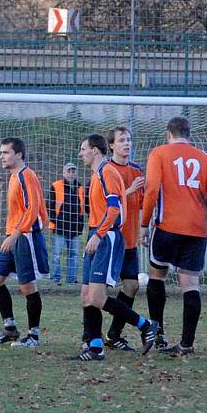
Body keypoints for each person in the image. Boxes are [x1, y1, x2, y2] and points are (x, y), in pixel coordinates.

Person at [140, 117, 207, 356]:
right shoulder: (206, 159)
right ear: (189, 134)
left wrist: (144, 224)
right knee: (190, 284)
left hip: (167, 227)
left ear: (167, 133)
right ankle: (187, 344)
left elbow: (151, 190)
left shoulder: (159, 154)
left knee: (157, 276)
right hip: (196, 229)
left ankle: (158, 334)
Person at [73, 133, 158, 361]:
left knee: (97, 298)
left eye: (83, 149)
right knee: (86, 296)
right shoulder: (98, 173)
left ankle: (145, 325)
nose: (81, 153)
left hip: (106, 237)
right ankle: (96, 346)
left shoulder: (107, 173)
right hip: (96, 233)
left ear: (96, 151)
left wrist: (99, 235)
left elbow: (114, 210)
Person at [0, 137, 49, 348]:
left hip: (25, 236)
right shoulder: (14, 177)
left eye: (5, 153)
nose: (1, 156)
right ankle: (10, 329)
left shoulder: (27, 176)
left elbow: (33, 209)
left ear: (19, 154)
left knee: (27, 287)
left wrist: (16, 234)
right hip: (13, 235)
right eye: (1, 152)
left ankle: (34, 335)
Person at [104, 126, 145, 351]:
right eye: (121, 140)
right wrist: (128, 190)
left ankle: (113, 335)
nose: (126, 144)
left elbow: (139, 205)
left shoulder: (137, 170)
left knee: (131, 286)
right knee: (96, 291)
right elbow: (106, 203)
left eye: (128, 140)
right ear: (111, 145)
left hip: (129, 240)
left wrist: (142, 230)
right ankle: (90, 337)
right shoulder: (106, 170)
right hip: (109, 240)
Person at [47, 162, 85, 285]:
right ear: (63, 172)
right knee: (56, 254)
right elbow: (49, 205)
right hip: (59, 228)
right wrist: (55, 221)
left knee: (73, 254)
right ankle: (55, 278)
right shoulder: (56, 186)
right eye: (68, 171)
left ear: (76, 173)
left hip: (74, 229)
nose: (71, 173)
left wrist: (80, 225)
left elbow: (83, 208)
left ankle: (71, 279)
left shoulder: (80, 188)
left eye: (73, 171)